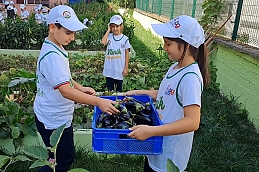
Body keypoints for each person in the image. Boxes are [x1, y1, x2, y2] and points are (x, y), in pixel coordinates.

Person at [33, 5, 119, 172]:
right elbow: (65, 90)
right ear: (52, 27)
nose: (72, 38)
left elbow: (65, 79)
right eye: (68, 32)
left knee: (54, 156)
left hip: (52, 114)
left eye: (73, 33)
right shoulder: (52, 57)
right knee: (63, 160)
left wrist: (80, 88)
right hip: (54, 121)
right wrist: (97, 102)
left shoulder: (56, 48)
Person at [125, 15, 210, 172]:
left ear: (186, 45)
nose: (164, 47)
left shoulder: (190, 78)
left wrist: (151, 131)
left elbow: (193, 121)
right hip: (158, 145)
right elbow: (166, 93)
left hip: (170, 158)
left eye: (168, 44)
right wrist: (139, 92)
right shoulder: (176, 67)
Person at [101, 14, 131, 92]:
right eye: (113, 26)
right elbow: (103, 42)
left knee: (119, 90)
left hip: (119, 69)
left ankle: (118, 103)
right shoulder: (109, 36)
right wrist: (108, 31)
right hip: (109, 69)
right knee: (109, 90)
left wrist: (126, 68)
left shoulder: (125, 39)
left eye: (117, 26)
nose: (115, 29)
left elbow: (127, 53)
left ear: (121, 26)